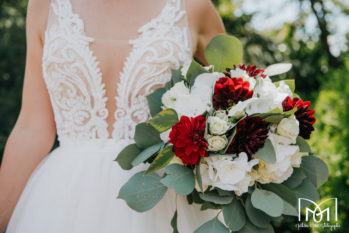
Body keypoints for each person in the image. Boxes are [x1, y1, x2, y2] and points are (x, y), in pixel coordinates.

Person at [0, 0, 225, 232]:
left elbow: (237, 104)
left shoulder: (194, 6)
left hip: (163, 195)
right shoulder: (45, 6)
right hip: (62, 199)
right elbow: (33, 128)